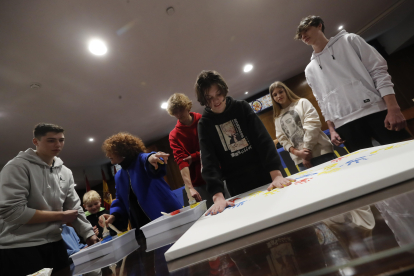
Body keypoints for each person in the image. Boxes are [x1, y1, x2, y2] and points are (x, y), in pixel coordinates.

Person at [296, 15, 410, 153]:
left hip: (376, 111)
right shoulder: (309, 70)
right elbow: (322, 101)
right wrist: (332, 129)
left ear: (319, 25)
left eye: (306, 30)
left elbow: (378, 72)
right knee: (368, 169)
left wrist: (393, 108)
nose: (303, 36)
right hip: (344, 124)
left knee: (405, 154)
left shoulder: (349, 40)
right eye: (300, 35)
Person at [0, 123, 98, 276]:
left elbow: (75, 208)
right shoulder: (17, 167)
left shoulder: (65, 172)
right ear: (36, 142)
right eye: (51, 140)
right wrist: (60, 216)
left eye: (61, 140)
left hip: (55, 242)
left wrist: (88, 234)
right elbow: (12, 212)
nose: (58, 144)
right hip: (20, 245)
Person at [195, 70, 292, 216]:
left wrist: (276, 174)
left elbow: (263, 140)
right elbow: (209, 161)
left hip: (265, 173)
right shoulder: (204, 124)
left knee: (282, 212)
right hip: (236, 183)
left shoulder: (241, 107)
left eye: (218, 94)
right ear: (203, 99)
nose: (216, 101)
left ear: (224, 90)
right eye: (209, 98)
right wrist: (218, 196)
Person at [99, 132, 182, 239]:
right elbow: (120, 200)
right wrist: (114, 215)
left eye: (110, 152)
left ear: (121, 151)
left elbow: (148, 158)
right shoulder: (119, 175)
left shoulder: (141, 159)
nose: (107, 155)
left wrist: (153, 158)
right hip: (141, 226)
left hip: (165, 215)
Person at [270, 81, 335, 170]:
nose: (278, 96)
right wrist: (297, 153)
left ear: (286, 91)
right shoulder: (277, 117)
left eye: (280, 92)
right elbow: (282, 139)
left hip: (321, 153)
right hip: (300, 161)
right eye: (275, 95)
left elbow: (312, 125)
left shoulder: (302, 103)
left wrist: (306, 151)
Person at [167, 93, 213, 208]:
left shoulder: (203, 121)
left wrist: (194, 156)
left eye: (180, 109)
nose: (178, 114)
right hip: (198, 182)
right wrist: (190, 188)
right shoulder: (174, 135)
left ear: (187, 107)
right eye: (175, 112)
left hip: (217, 174)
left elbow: (212, 147)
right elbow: (182, 162)